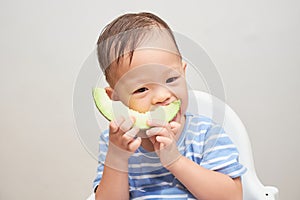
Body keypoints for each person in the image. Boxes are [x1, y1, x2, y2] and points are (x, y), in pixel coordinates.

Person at [93, 12, 246, 200]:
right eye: (141, 89)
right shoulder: (117, 144)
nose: (162, 96)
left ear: (183, 72)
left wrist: (175, 161)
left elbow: (232, 197)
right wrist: (117, 157)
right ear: (115, 97)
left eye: (171, 79)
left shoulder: (205, 134)